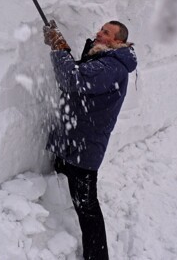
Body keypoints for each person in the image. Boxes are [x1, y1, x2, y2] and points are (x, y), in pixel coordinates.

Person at [43, 20, 137, 260]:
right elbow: (81, 75)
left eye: (106, 33)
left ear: (118, 42)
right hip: (75, 142)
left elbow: (72, 80)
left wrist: (59, 48)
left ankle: (97, 256)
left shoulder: (112, 67)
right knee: (74, 192)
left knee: (87, 207)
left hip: (84, 148)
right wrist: (64, 50)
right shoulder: (104, 61)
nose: (98, 33)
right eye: (100, 29)